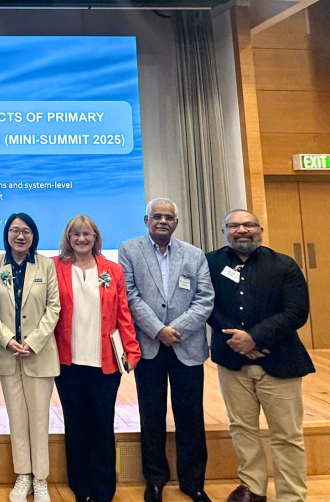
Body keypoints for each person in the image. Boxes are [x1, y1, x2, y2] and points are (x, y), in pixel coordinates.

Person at [206, 210, 315, 502]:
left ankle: (292, 495)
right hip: (232, 361)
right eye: (234, 225)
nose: (242, 230)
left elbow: (296, 312)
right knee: (242, 429)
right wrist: (237, 341)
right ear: (224, 231)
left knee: (287, 434)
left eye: (249, 224)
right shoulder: (210, 263)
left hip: (280, 360)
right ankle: (252, 488)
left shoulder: (284, 265)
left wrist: (254, 338)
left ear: (260, 229)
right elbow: (205, 305)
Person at [118, 198, 215, 502]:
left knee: (191, 415)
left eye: (168, 217)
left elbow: (205, 299)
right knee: (152, 415)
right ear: (146, 220)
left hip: (188, 345)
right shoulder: (129, 250)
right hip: (149, 346)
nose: (162, 221)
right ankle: (155, 479)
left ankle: (193, 482)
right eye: (157, 216)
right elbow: (129, 295)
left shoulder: (194, 254)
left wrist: (177, 329)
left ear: (176, 223)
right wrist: (158, 330)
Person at [52, 215, 141, 502]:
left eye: (86, 234)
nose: (81, 239)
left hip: (105, 363)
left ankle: (103, 488)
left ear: (95, 237)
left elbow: (123, 313)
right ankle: (80, 487)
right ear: (68, 238)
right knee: (75, 424)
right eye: (75, 234)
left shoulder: (112, 270)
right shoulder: (54, 267)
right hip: (67, 363)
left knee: (102, 424)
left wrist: (132, 350)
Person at [0, 212, 60, 502]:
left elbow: (54, 307)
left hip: (39, 354)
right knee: (16, 418)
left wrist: (34, 341)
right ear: (7, 234)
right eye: (15, 230)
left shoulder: (46, 265)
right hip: (8, 355)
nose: (20, 236)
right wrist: (6, 339)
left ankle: (40, 478)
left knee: (39, 419)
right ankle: (23, 475)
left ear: (33, 236)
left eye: (26, 231)